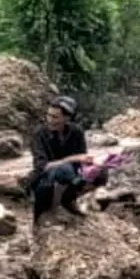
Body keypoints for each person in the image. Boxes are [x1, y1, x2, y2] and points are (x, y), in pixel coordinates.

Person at [32, 96, 93, 224]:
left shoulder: (76, 132)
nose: (50, 120)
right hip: (45, 182)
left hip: (69, 177)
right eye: (49, 115)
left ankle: (69, 201)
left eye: (55, 117)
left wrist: (91, 168)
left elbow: (82, 161)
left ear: (67, 118)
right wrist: (72, 159)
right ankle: (50, 210)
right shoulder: (39, 134)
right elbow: (42, 166)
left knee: (99, 173)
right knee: (64, 170)